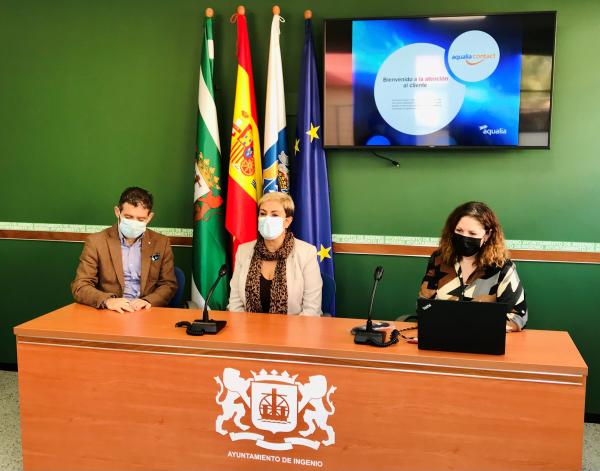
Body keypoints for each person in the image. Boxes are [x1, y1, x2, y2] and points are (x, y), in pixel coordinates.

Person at [418, 201, 528, 331]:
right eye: (459, 230)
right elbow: (424, 305)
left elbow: (518, 316)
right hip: (443, 335)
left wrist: (473, 327)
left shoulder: (502, 268)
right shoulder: (439, 260)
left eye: (472, 233)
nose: (464, 237)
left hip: (483, 338)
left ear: (487, 235)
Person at [71, 187, 177, 313]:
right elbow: (80, 286)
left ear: (149, 217)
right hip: (111, 312)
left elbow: (168, 284)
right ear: (117, 212)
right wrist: (107, 301)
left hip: (146, 312)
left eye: (141, 219)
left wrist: (148, 301)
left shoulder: (161, 243)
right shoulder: (96, 242)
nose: (134, 223)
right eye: (128, 217)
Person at [228, 192, 322, 315]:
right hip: (248, 326)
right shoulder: (243, 251)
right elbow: (235, 304)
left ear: (287, 221)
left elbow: (312, 309)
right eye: (263, 214)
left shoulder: (306, 253)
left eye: (274, 215)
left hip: (294, 326)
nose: (267, 219)